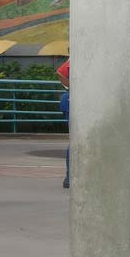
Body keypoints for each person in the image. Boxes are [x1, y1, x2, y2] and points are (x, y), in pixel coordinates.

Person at [57, 59, 70, 189]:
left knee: (74, 140)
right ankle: (71, 177)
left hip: (68, 98)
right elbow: (60, 72)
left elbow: (60, 73)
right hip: (73, 97)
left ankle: (70, 177)